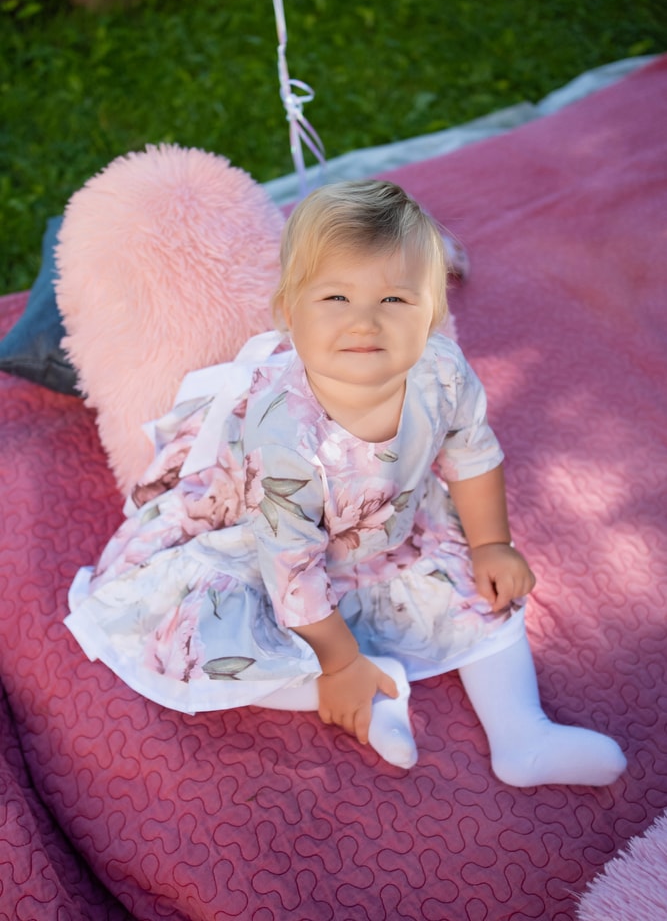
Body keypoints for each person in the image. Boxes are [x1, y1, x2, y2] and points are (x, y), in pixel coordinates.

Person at [65, 179, 626, 786]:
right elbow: (291, 570)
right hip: (265, 545)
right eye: (335, 297)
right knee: (202, 648)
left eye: (394, 299)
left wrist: (492, 543)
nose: (365, 322)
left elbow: (472, 453)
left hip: (387, 526)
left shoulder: (441, 372)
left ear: (432, 313)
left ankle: (523, 734)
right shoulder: (284, 430)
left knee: (484, 594)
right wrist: (339, 664)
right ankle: (368, 693)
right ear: (289, 312)